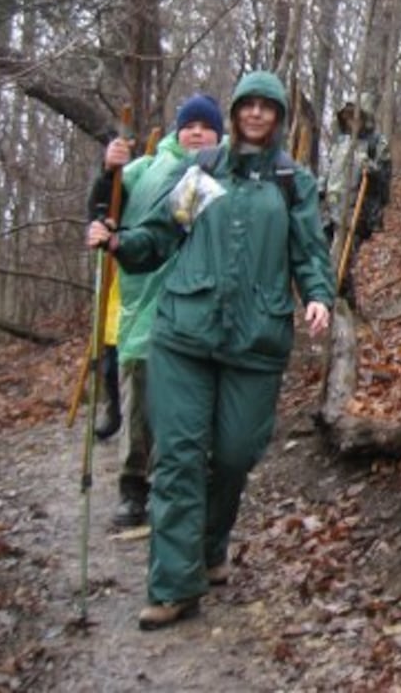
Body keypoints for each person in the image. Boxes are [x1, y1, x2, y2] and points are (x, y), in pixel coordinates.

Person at [87, 72, 333, 631]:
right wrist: (119, 240)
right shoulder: (204, 172)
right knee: (177, 456)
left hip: (257, 338)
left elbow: (311, 253)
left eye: (266, 108)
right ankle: (173, 584)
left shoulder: (291, 183)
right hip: (185, 334)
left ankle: (211, 544)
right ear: (236, 111)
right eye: (246, 105)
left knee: (235, 453)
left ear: (277, 118)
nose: (255, 115)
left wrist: (317, 296)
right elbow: (162, 236)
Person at [85, 94, 225, 529]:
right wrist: (109, 169)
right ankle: (133, 490)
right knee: (140, 399)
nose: (197, 132)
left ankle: (177, 493)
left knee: (187, 408)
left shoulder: (220, 173)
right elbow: (103, 207)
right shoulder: (147, 168)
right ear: (175, 130)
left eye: (206, 126)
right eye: (189, 125)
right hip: (144, 303)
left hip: (198, 307)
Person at [318, 94, 392, 304]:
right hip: (330, 207)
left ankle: (335, 303)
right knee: (325, 255)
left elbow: (385, 178)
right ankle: (346, 302)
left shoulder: (377, 143)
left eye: (356, 117)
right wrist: (320, 190)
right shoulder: (340, 143)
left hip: (356, 211)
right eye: (348, 117)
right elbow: (328, 170)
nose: (352, 121)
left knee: (339, 258)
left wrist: (372, 169)